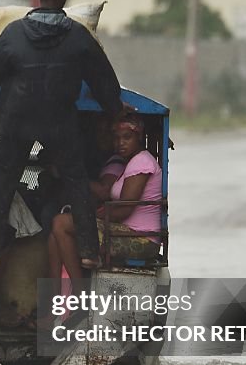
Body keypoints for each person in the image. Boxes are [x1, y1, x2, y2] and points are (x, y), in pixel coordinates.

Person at [0, 0, 123, 269]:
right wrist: (115, 108)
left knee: (4, 179)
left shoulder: (13, 34)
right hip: (60, 122)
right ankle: (89, 252)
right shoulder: (78, 36)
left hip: (16, 121)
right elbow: (103, 78)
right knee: (76, 180)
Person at [48, 113, 162, 290]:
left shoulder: (142, 162)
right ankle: (54, 297)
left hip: (139, 237)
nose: (120, 143)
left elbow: (124, 210)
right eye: (116, 138)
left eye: (127, 137)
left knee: (61, 222)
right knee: (55, 234)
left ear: (139, 137)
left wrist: (96, 215)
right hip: (124, 231)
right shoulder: (131, 162)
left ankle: (80, 292)